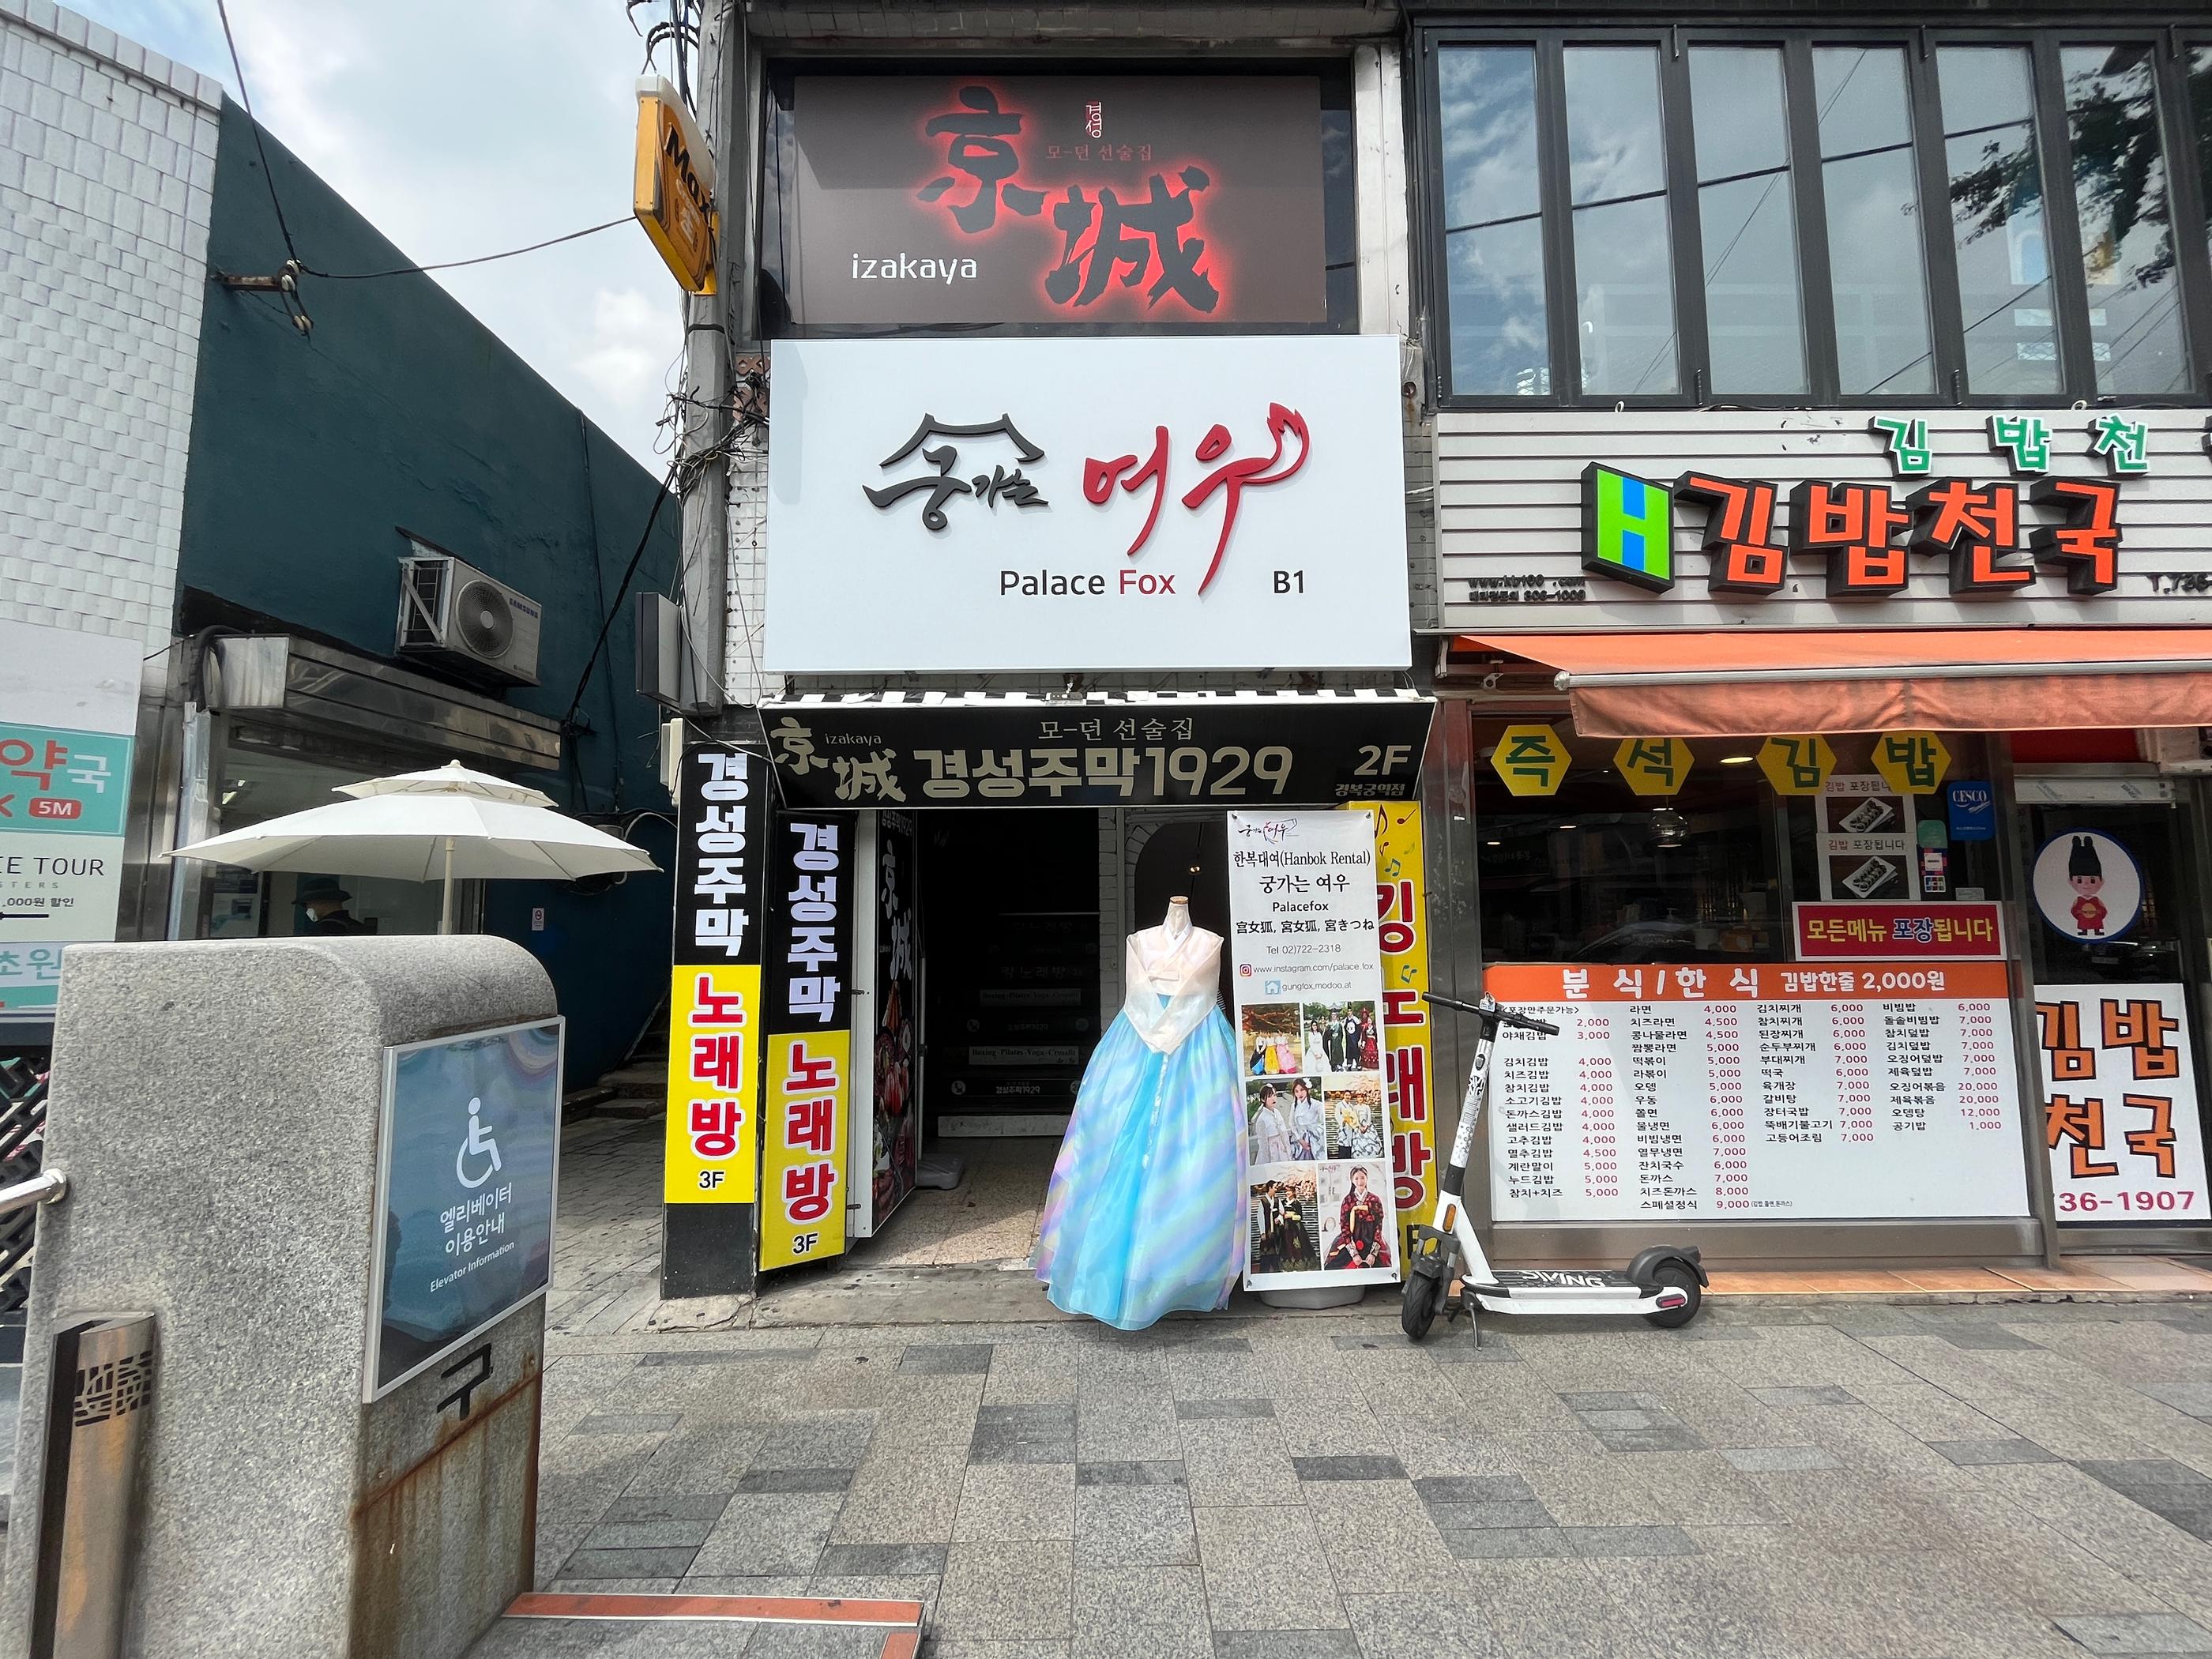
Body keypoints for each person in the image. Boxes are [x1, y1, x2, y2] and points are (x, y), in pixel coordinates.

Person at [1037, 897, 1243, 1330]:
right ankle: (1115, 1269)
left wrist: (1166, 1034)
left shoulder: (1210, 942)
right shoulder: (1139, 942)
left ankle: (1176, 1275)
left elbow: (1203, 995)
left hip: (1197, 1047)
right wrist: (1162, 1034)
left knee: (1193, 1159)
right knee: (1116, 1149)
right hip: (1137, 1044)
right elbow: (1137, 996)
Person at [1323, 1165, 1392, 1272]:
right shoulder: (1348, 1200)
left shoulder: (1374, 1200)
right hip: (1351, 1239)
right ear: (1352, 1180)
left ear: (1367, 1178)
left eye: (1362, 1178)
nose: (1360, 1181)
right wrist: (1354, 1253)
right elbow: (1344, 1226)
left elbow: (1379, 1226)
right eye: (1356, 1178)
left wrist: (1373, 1254)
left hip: (1371, 1239)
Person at [298, 877, 370, 935]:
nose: (308, 909)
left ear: (320, 902)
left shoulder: (322, 929)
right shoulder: (358, 926)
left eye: (308, 904)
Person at [2068, 837, 2108, 936]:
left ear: (2101, 881)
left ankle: (2097, 931)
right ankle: (2083, 931)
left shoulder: (2096, 899)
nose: (2086, 884)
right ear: (2071, 882)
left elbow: (2104, 910)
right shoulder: (2079, 900)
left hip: (2095, 919)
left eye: (2092, 880)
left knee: (2096, 925)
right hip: (2083, 920)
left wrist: (2098, 912)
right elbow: (2073, 910)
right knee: (2083, 925)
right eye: (2080, 880)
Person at [1250, 1083, 1292, 1164]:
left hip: (1282, 1147)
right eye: (1269, 1096)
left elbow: (1284, 1133)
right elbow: (1263, 1143)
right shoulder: (1262, 1119)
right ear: (1263, 1099)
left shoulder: (1277, 1112)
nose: (1273, 1098)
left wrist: (1288, 1150)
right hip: (1271, 1150)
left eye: (1275, 1095)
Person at [1288, 1078, 1324, 1161]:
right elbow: (1292, 1124)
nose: (1300, 1094)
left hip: (1315, 1139)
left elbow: (1323, 1120)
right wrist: (1300, 1140)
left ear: (1307, 1090)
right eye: (1296, 1091)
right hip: (1300, 1138)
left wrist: (1317, 1132)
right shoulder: (1294, 1106)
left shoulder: (1316, 1104)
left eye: (1302, 1090)